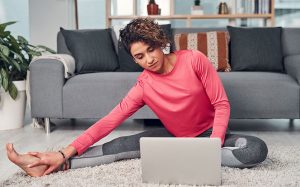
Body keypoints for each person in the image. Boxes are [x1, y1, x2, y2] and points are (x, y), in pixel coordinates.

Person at [6, 18, 268, 177]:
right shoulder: (143, 85)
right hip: (175, 139)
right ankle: (47, 164)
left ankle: (187, 155)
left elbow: (221, 104)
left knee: (255, 149)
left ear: (160, 43)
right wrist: (62, 153)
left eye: (151, 50)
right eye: (139, 57)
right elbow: (108, 122)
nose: (149, 60)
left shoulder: (194, 60)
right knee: (121, 145)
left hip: (212, 136)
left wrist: (212, 145)